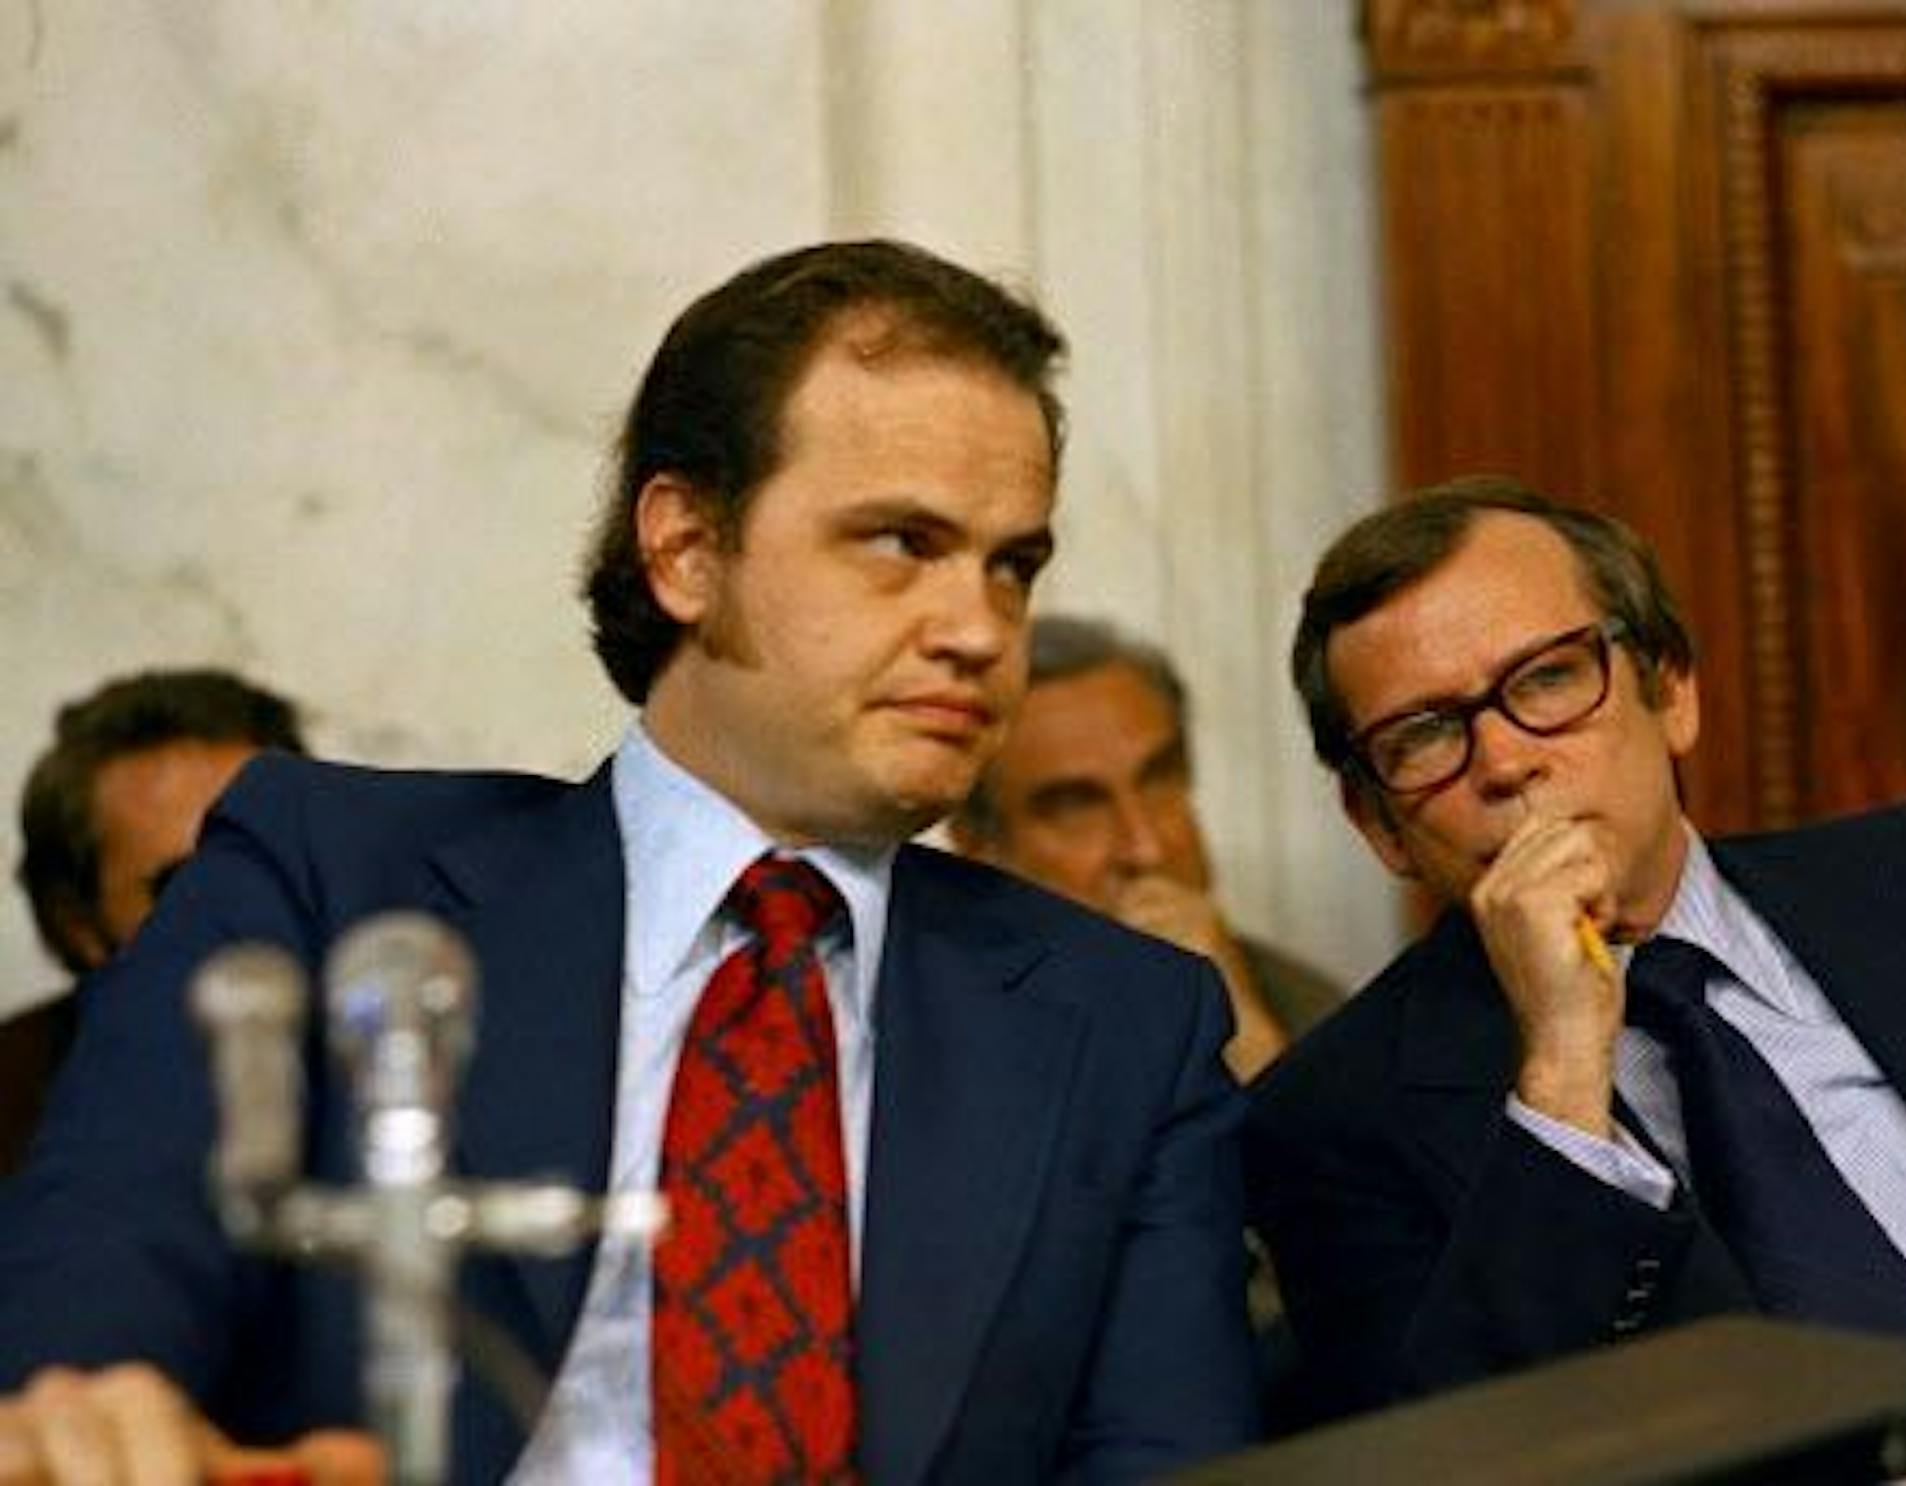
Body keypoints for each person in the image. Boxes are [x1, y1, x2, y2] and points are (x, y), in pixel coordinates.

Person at [0, 240, 1255, 1483]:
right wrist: (95, 1424)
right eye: (900, 543)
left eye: (1012, 566)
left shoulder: (1126, 1029)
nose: (979, 629)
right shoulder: (329, 875)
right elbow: (97, 1290)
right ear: (687, 549)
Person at [1244, 476, 1906, 1445]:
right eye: (1423, 735)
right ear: (1379, 826)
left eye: (1548, 679)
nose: (1506, 763)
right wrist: (1561, 1075)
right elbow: (1468, 1458)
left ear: (1673, 690)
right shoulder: (1335, 1122)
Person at [950, 614, 1342, 1083]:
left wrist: (1243, 1034)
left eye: (1159, 780)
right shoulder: (936, 1036)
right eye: (1076, 807)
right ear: (978, 847)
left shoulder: (1298, 1004)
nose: (1147, 849)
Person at [2, 668, 307, 1174]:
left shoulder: (401, 1053)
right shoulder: (17, 1108)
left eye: (272, 863)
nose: (248, 908)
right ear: (80, 928)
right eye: (185, 885)